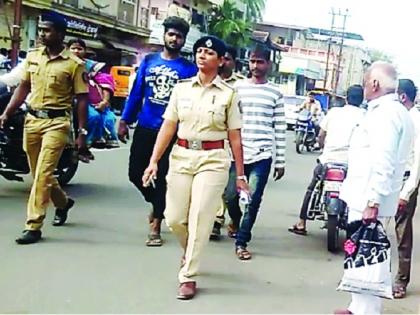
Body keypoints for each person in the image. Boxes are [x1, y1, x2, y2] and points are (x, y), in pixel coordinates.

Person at [142, 35, 248, 300]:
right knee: (174, 217)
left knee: (201, 216)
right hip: (181, 156)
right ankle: (190, 250)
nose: (202, 56)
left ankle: (188, 275)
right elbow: (169, 126)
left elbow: (235, 136)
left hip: (213, 160)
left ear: (221, 60)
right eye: (199, 51)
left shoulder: (229, 95)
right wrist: (154, 160)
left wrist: (241, 174)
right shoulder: (181, 89)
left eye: (209, 53)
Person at [0, 12, 89, 244]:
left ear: (60, 34)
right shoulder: (32, 57)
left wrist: (81, 133)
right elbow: (23, 87)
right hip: (32, 120)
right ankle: (63, 202)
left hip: (57, 123)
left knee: (42, 174)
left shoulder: (74, 64)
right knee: (39, 173)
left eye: (47, 30)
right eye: (40, 29)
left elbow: (82, 99)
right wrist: (7, 113)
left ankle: (33, 225)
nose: (41, 34)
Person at [334, 62, 414, 315]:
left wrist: (373, 200)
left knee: (367, 255)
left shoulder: (386, 114)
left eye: (366, 80)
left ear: (375, 84)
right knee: (363, 253)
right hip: (367, 196)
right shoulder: (391, 111)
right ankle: (357, 307)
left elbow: (385, 159)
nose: (365, 85)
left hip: (368, 198)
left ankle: (365, 310)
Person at [118, 16, 197, 247]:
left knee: (162, 177)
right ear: (164, 36)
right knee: (135, 173)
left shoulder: (188, 69)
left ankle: (156, 225)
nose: (174, 39)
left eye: (179, 36)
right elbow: (136, 92)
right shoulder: (149, 61)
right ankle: (157, 204)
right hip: (145, 126)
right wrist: (125, 119)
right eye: (171, 34)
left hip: (172, 131)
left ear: (184, 40)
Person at [224, 45, 286, 261]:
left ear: (268, 64)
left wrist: (280, 161)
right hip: (237, 153)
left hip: (262, 155)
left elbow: (279, 128)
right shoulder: (238, 89)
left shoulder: (276, 93)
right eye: (252, 61)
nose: (255, 66)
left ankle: (242, 241)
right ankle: (237, 220)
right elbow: (229, 121)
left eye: (260, 62)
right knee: (230, 196)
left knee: (252, 200)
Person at [288, 85, 365, 235]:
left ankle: (302, 222)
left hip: (328, 161)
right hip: (352, 165)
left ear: (346, 98)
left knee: (312, 187)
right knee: (359, 192)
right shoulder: (365, 116)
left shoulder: (334, 112)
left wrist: (323, 147)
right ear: (362, 99)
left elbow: (321, 135)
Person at [210, 44, 244, 240]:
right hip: (211, 141)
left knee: (229, 191)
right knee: (214, 184)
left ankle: (234, 217)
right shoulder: (207, 80)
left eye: (228, 59)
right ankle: (216, 220)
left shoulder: (239, 85)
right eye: (222, 58)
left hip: (232, 143)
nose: (224, 63)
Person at [393, 79, 420, 299]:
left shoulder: (416, 121)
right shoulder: (397, 118)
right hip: (389, 180)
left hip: (405, 182)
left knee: (402, 233)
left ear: (403, 97)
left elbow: (417, 163)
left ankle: (401, 280)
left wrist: (406, 192)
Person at [68, 38, 118, 151]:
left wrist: (105, 101)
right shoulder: (63, 64)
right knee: (93, 116)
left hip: (90, 101)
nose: (76, 51)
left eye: (79, 49)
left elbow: (105, 83)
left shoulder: (91, 67)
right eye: (73, 48)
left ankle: (98, 139)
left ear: (84, 51)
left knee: (109, 118)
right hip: (69, 100)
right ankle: (85, 141)